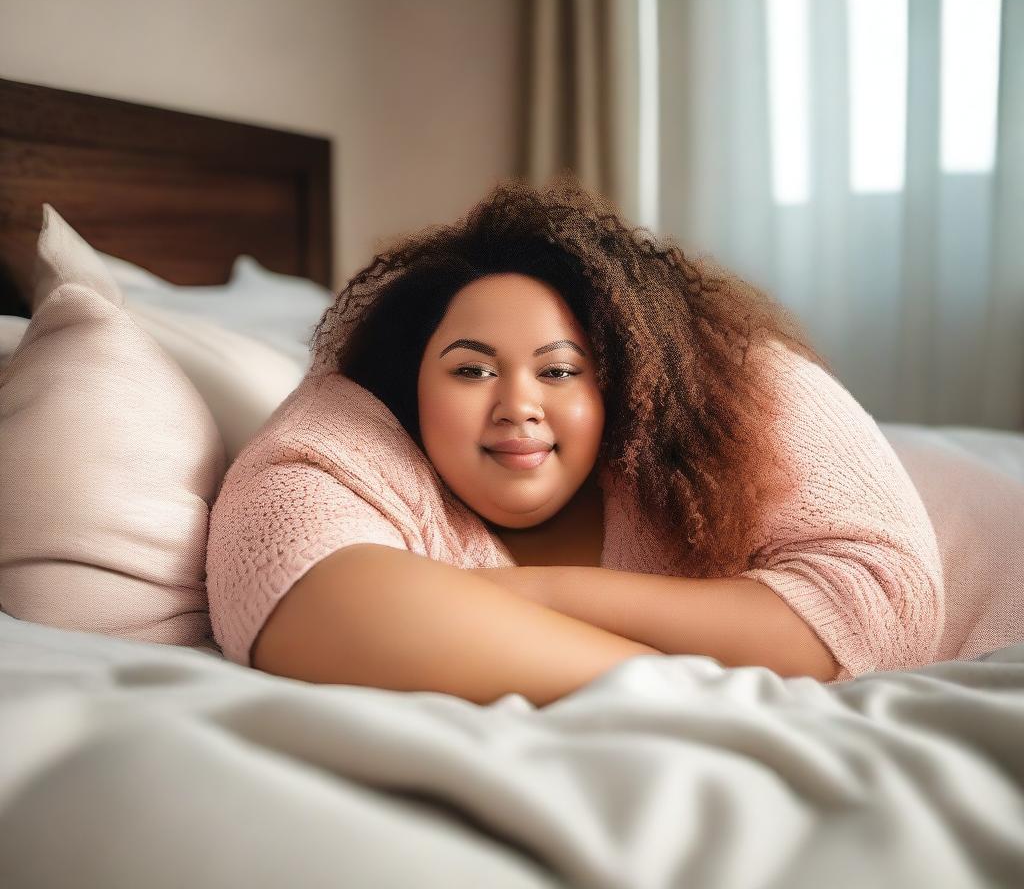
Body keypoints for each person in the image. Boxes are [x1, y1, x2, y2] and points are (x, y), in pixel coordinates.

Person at [205, 174, 945, 705]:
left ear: (620, 382)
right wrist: (694, 695)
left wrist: (535, 592)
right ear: (409, 385)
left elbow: (885, 615)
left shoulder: (734, 386)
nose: (518, 406)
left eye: (559, 370)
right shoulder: (352, 430)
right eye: (471, 370)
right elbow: (294, 586)